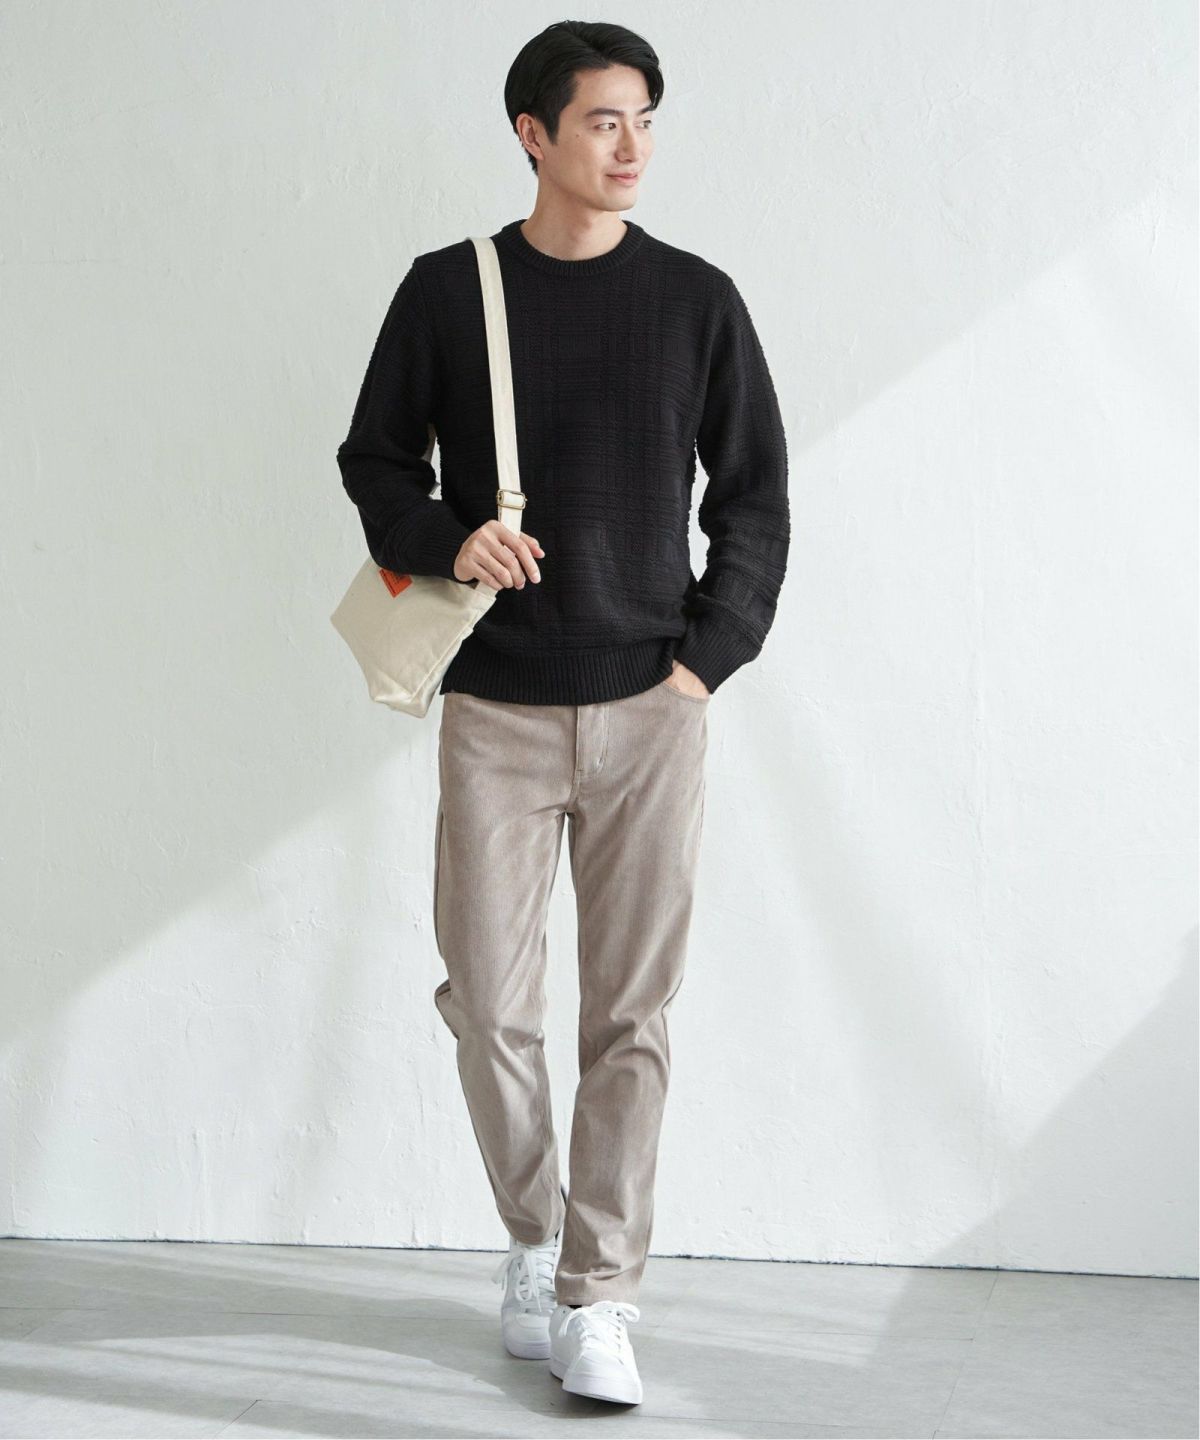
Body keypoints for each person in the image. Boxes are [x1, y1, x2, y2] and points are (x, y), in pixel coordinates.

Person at [335, 19, 790, 1409]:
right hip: (496, 710)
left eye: (645, 118)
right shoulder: (448, 291)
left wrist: (706, 662)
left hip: (653, 704)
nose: (633, 145)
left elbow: (755, 497)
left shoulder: (697, 299)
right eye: (603, 119)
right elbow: (374, 459)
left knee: (630, 1016)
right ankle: (535, 1240)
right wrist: (450, 535)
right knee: (487, 1004)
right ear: (533, 135)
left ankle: (601, 1290)